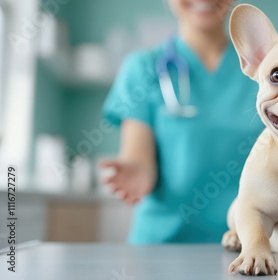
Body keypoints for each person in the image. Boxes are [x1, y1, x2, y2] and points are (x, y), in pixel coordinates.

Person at [100, 0, 263, 244]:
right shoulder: (142, 68)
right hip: (161, 248)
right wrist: (137, 172)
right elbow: (138, 157)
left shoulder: (268, 71)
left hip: (250, 245)